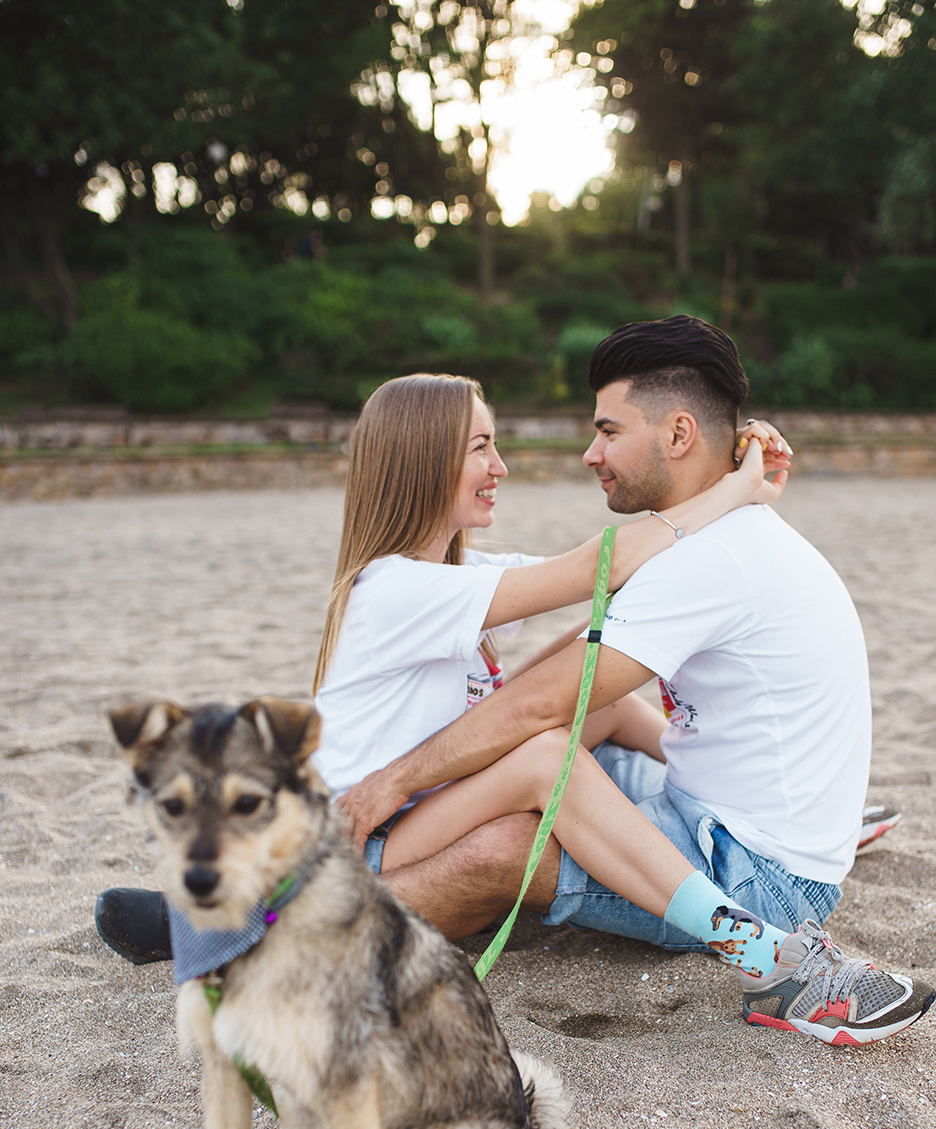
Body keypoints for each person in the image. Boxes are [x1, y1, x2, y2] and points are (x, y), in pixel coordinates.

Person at [335, 319, 936, 1046]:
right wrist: (739, 480)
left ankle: (771, 957)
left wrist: (398, 779)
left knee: (532, 786)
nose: (590, 453)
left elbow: (550, 685)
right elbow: (590, 604)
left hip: (755, 870)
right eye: (482, 447)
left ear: (678, 434)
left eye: (608, 431)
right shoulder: (717, 542)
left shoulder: (705, 558)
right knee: (558, 735)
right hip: (391, 828)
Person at [95, 369, 787, 968]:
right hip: (367, 839)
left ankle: (707, 787)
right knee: (544, 756)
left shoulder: (454, 575)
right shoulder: (395, 588)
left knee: (589, 684)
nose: (500, 467)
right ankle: (743, 941)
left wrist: (727, 464)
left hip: (417, 816)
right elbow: (597, 566)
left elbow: (612, 587)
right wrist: (738, 487)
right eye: (481, 448)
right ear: (423, 461)